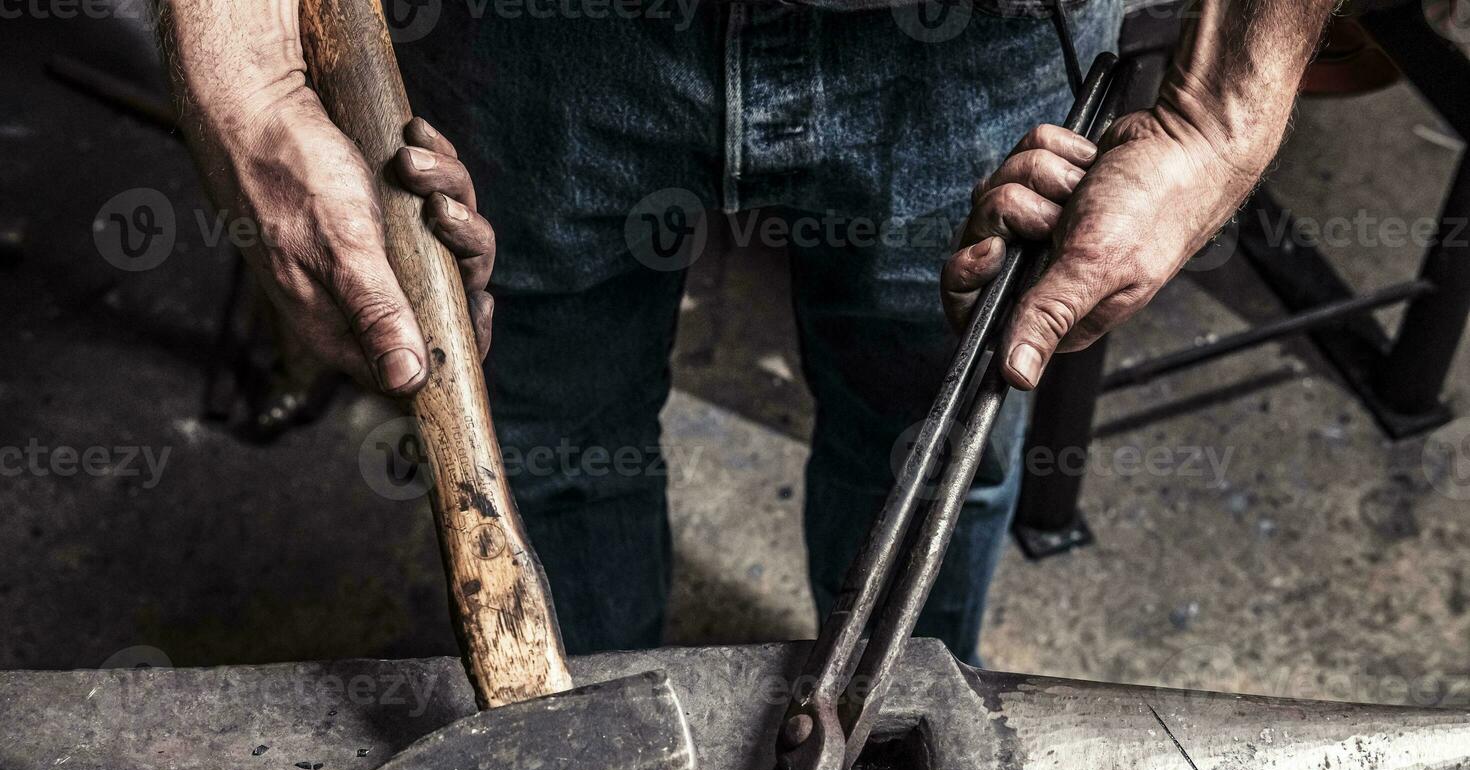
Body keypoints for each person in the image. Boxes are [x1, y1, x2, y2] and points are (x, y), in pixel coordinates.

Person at [157, 0, 1338, 665]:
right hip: (531, 34)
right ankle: (580, 765)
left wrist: (1220, 109)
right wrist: (245, 73)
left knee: (930, 453)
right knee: (547, 444)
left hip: (977, 37)